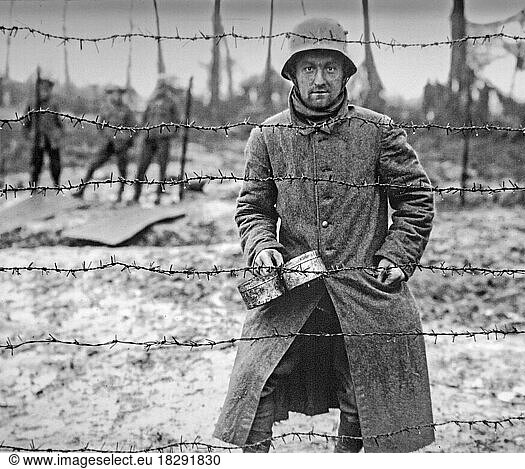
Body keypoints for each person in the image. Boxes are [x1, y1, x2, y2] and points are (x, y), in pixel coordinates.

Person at [214, 18, 435, 453]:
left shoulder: (379, 131)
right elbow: (253, 208)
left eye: (330, 68)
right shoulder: (268, 135)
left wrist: (398, 253)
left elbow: (416, 197)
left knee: (365, 391)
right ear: (292, 74)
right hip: (293, 285)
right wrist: (262, 247)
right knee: (256, 381)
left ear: (345, 74)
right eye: (309, 68)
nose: (319, 79)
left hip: (365, 286)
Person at [74, 85, 136, 202]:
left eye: (119, 94)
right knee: (93, 165)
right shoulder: (105, 109)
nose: (116, 96)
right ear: (111, 95)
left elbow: (134, 127)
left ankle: (120, 195)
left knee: (122, 170)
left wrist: (126, 139)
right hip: (108, 144)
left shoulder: (126, 110)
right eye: (114, 94)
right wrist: (105, 136)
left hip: (121, 144)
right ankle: (81, 190)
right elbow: (99, 124)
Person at [131, 75, 180, 205]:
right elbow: (144, 117)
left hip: (163, 139)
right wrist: (142, 131)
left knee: (162, 168)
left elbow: (178, 121)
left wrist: (171, 133)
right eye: (159, 85)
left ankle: (158, 195)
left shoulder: (171, 101)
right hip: (149, 138)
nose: (160, 88)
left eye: (163, 85)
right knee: (142, 166)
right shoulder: (151, 100)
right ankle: (136, 194)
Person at [23, 77, 64, 187]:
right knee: (36, 164)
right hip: (37, 139)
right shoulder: (32, 103)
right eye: (42, 89)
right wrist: (29, 136)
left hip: (52, 139)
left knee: (55, 164)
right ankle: (33, 186)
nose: (45, 92)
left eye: (48, 89)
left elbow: (59, 122)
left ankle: (56, 184)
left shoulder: (54, 104)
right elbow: (26, 123)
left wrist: (58, 134)